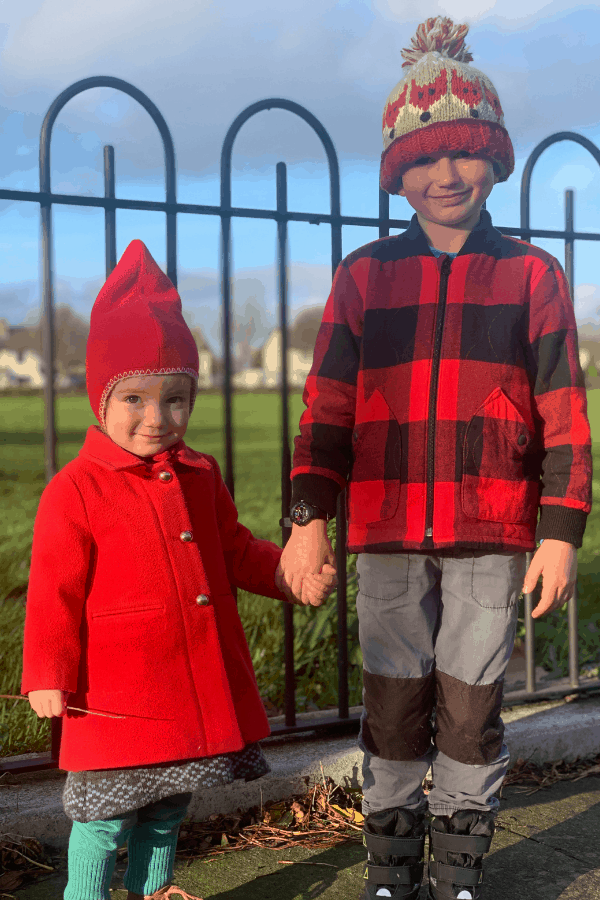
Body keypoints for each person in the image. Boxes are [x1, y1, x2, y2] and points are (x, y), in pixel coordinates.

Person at [279, 16, 592, 900]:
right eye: (423, 157)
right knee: (394, 704)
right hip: (383, 532)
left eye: (464, 153)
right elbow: (326, 409)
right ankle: (389, 869)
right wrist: (309, 518)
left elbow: (564, 411)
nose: (445, 174)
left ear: (494, 158)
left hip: (493, 533)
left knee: (469, 705)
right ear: (396, 171)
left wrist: (561, 529)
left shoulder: (534, 276)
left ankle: (457, 871)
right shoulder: (365, 275)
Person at [21, 240, 336, 900]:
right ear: (98, 397)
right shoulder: (75, 488)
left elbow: (234, 548)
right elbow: (53, 590)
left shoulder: (199, 474)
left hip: (186, 686)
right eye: (133, 398)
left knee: (167, 809)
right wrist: (47, 673)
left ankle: (155, 892)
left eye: (175, 400)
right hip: (114, 695)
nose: (155, 419)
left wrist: (286, 574)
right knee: (103, 816)